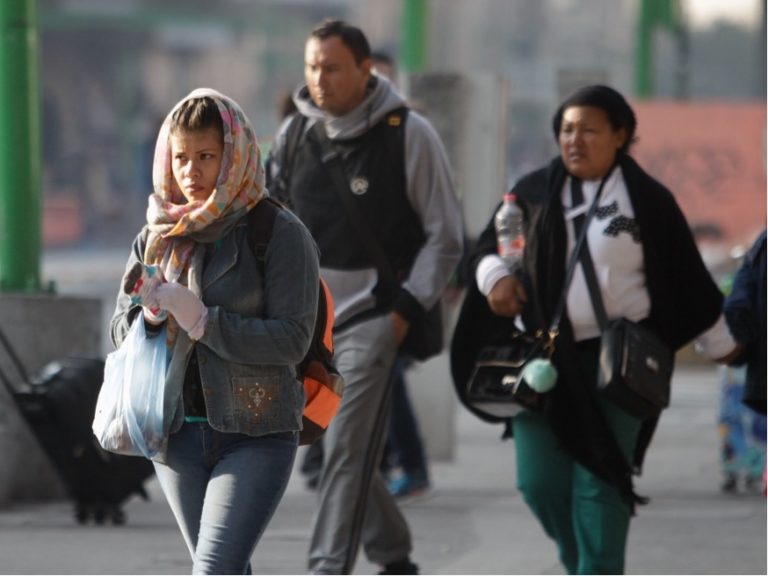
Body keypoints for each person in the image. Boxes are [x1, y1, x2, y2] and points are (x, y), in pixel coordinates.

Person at [451, 84, 739, 574]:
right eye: (566, 130)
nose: (574, 140)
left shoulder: (648, 201)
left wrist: (724, 344)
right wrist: (495, 277)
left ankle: (597, 569)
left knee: (601, 480)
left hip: (620, 365)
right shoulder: (532, 192)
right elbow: (486, 251)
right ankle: (577, 562)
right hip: (542, 363)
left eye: (588, 130)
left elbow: (686, 277)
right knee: (538, 483)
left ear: (620, 135)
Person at [266, 19, 463, 575]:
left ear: (365, 70)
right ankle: (392, 552)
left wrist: (402, 314)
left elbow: (445, 235)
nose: (319, 79)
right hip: (304, 324)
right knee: (331, 447)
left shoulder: (409, 133)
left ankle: (326, 566)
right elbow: (269, 225)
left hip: (374, 319)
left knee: (349, 444)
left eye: (331, 67)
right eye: (311, 67)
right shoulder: (294, 136)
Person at [110, 88, 320, 574]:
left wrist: (204, 321)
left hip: (256, 431)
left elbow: (292, 338)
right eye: (180, 158)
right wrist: (151, 319)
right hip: (175, 434)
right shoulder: (157, 234)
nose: (191, 172)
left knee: (214, 570)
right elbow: (120, 331)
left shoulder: (278, 232)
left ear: (235, 155)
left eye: (206, 156)